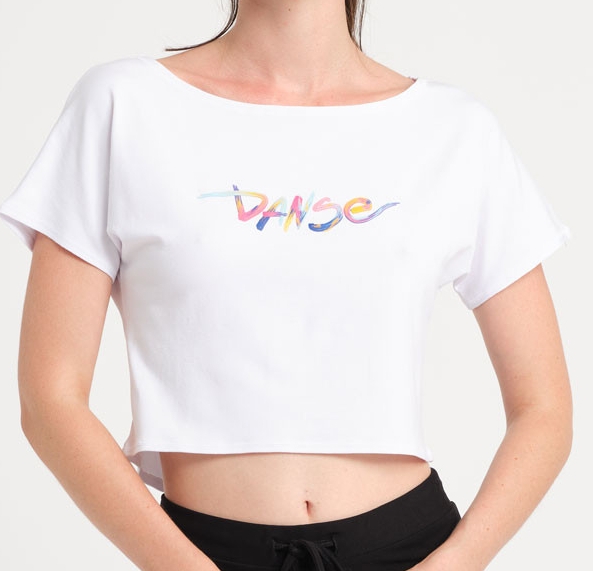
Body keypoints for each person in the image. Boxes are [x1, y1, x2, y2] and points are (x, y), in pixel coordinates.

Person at [0, 1, 573, 570]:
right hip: (202, 555)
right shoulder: (122, 105)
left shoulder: (453, 128)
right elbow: (50, 399)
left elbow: (544, 408)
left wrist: (455, 565)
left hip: (410, 548)